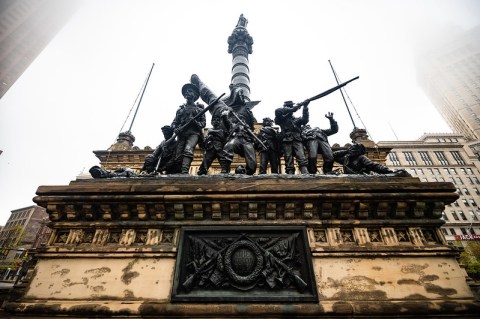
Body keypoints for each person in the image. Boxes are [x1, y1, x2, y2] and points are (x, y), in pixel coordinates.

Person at [171, 84, 206, 174]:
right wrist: (176, 128)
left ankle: (185, 171)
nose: (187, 92)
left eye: (189, 91)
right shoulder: (180, 110)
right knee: (178, 155)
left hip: (194, 134)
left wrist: (195, 122)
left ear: (194, 95)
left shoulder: (199, 110)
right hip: (182, 134)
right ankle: (177, 172)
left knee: (188, 150)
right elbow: (174, 123)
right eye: (186, 91)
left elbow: (203, 124)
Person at [274, 100, 310, 174]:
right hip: (286, 139)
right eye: (288, 106)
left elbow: (305, 120)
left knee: (301, 155)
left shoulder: (297, 119)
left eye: (291, 106)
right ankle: (290, 172)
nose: (290, 108)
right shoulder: (281, 119)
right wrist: (292, 109)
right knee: (288, 157)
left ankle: (304, 171)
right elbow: (277, 111)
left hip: (297, 139)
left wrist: (305, 107)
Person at [333, 143, 409, 176]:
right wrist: (346, 151)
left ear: (358, 151)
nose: (351, 149)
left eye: (353, 149)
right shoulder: (346, 159)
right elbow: (333, 156)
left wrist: (389, 172)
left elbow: (373, 166)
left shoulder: (361, 157)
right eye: (350, 148)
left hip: (361, 178)